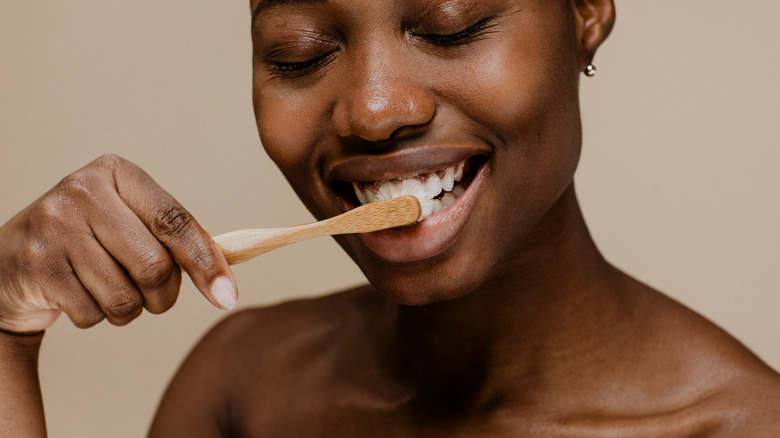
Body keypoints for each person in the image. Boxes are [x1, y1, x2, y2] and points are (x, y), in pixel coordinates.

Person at [1, 0, 779, 436]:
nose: (373, 110)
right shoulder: (245, 387)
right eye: (298, 53)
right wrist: (6, 331)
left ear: (586, 10)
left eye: (451, 26)